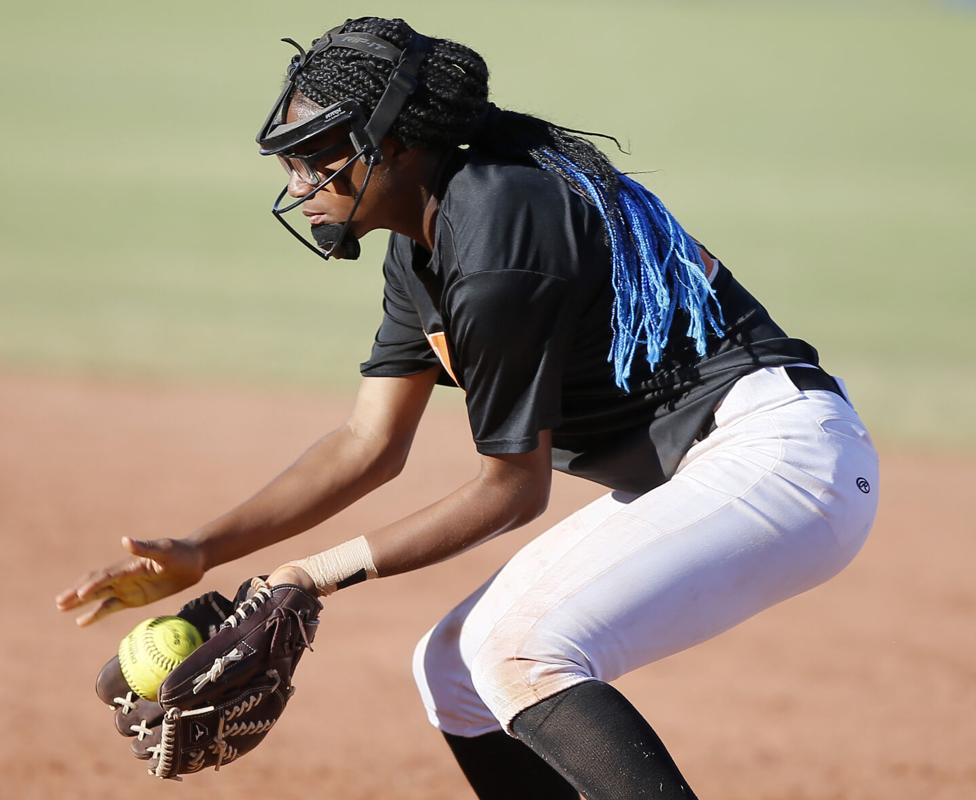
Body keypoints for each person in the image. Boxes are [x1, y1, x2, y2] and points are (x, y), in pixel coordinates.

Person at [56, 17, 880, 798]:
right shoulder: (425, 246)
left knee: (516, 648)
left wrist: (309, 576)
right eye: (290, 163)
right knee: (456, 674)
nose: (301, 184)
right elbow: (367, 443)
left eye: (317, 157)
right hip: (720, 467)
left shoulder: (499, 233)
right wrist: (205, 548)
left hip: (779, 460)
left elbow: (513, 489)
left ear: (397, 145)